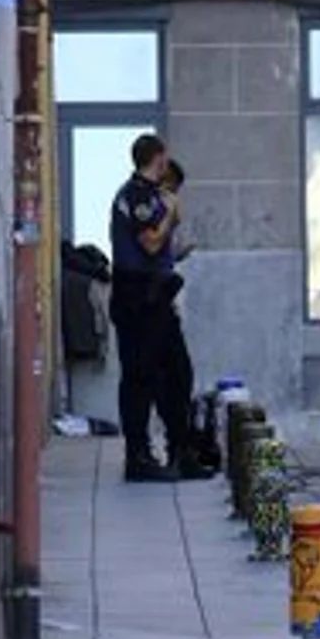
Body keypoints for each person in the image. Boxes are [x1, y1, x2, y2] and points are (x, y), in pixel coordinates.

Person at [108, 133, 211, 482]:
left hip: (157, 298)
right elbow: (150, 243)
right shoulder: (137, 195)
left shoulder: (152, 195)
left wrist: (175, 250)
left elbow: (156, 250)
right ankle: (137, 456)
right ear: (158, 158)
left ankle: (180, 450)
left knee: (178, 373)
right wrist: (171, 218)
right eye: (165, 155)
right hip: (137, 299)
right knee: (140, 377)